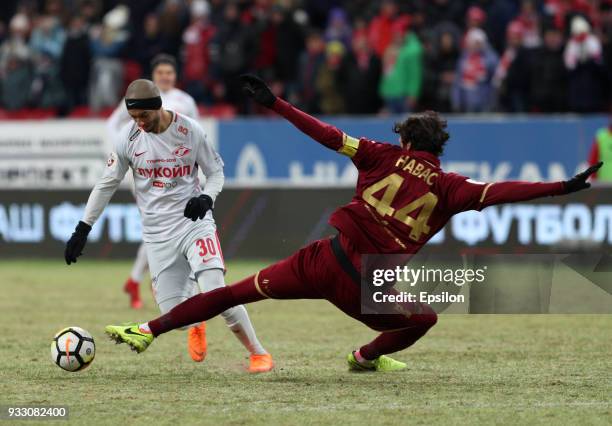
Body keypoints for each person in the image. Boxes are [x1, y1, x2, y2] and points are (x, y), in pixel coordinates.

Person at [104, 75, 601, 372]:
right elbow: (506, 193)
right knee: (425, 317)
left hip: (321, 260)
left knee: (235, 291)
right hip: (369, 288)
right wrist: (563, 186)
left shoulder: (379, 155)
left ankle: (149, 328)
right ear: (437, 149)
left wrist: (276, 104)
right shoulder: (453, 187)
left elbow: (325, 134)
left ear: (406, 142)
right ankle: (364, 357)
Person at [66, 79, 273, 372]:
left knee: (216, 292)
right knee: (174, 316)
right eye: (134, 117)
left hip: (194, 223)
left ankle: (258, 354)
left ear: (158, 107)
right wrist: (82, 228)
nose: (139, 122)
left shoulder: (189, 131)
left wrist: (206, 197)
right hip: (156, 234)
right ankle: (197, 321)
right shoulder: (128, 138)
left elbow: (216, 173)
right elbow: (106, 184)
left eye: (144, 116)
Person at [107, 54, 198, 310]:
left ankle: (137, 280)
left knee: (165, 229)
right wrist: (127, 149)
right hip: (149, 176)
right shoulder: (143, 99)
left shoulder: (185, 101)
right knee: (160, 228)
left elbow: (195, 136)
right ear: (154, 76)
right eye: (161, 73)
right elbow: (112, 124)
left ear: (175, 75)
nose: (165, 77)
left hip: (177, 175)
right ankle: (149, 281)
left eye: (169, 73)